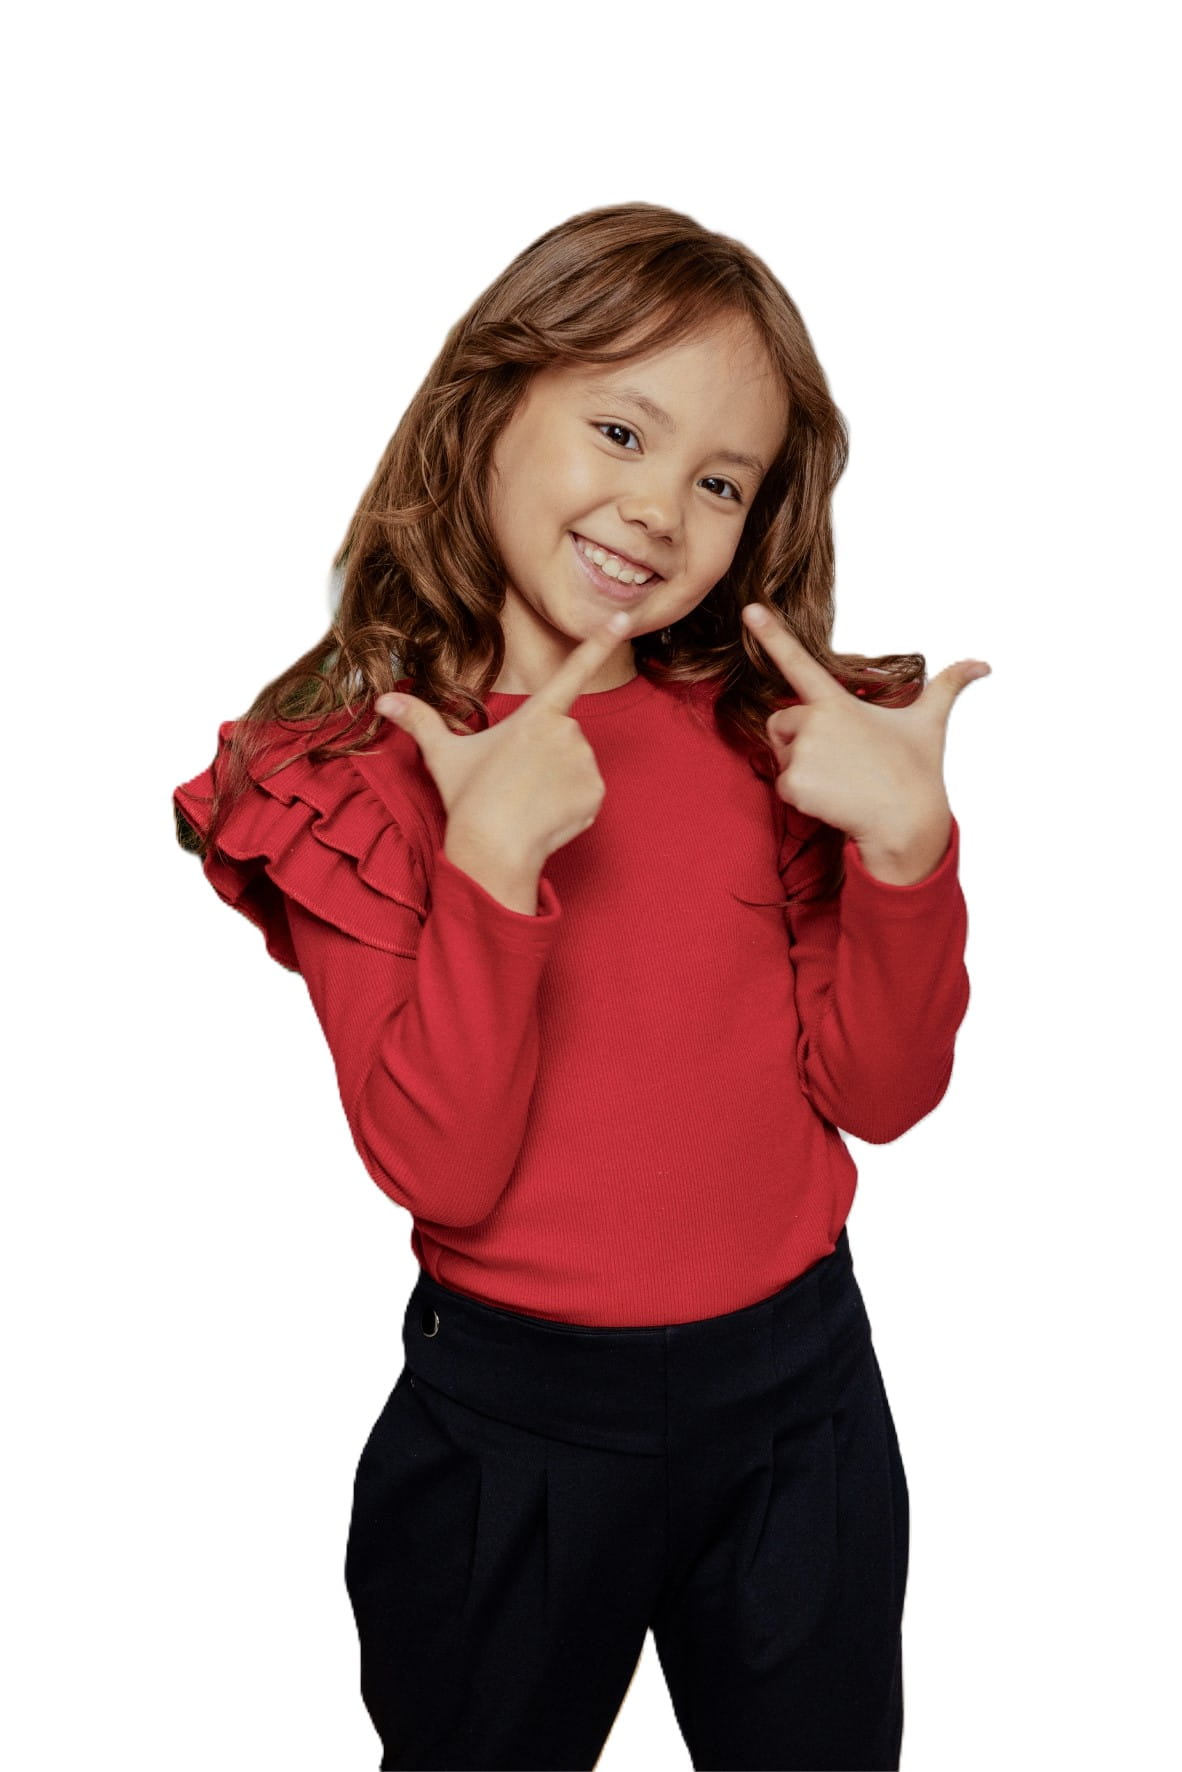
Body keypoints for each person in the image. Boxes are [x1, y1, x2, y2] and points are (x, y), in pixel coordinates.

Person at [173, 201, 989, 1772]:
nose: (657, 509)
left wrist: (907, 855)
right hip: (514, 1431)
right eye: (619, 429)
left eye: (720, 481)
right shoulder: (362, 777)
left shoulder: (768, 740)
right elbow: (441, 1167)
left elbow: (882, 1098)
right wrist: (490, 872)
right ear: (485, 402)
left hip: (801, 1397)